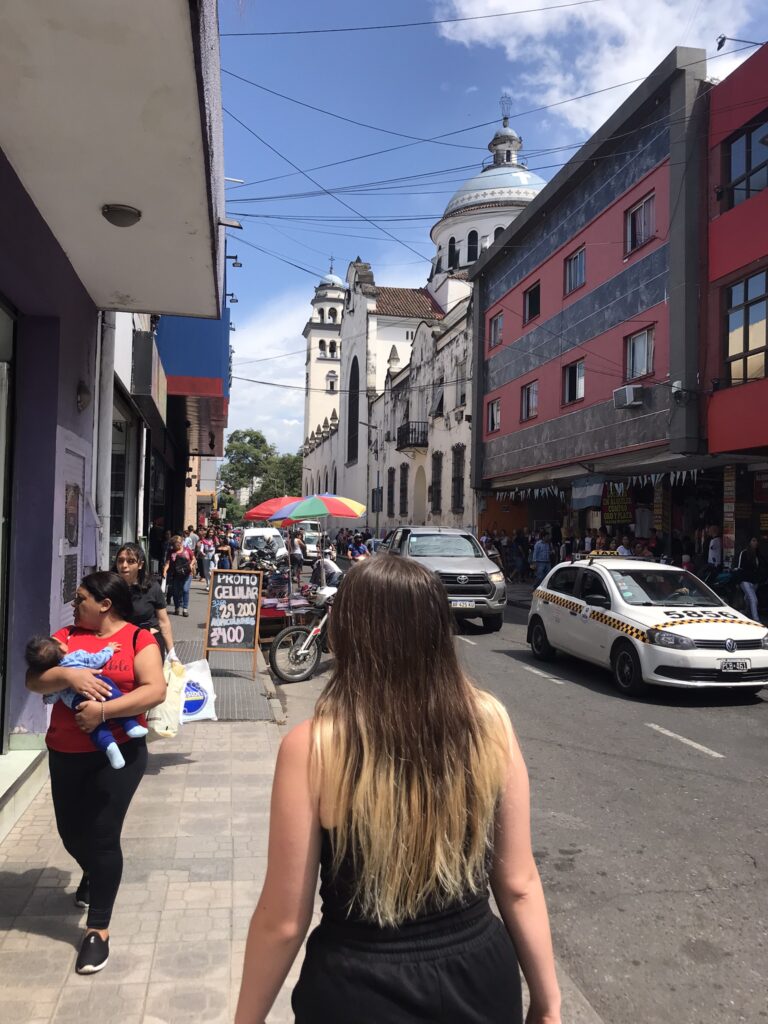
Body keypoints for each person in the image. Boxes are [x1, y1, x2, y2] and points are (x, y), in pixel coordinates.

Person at [234, 556, 561, 1024]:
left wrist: (247, 1018)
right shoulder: (490, 723)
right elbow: (518, 883)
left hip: (357, 986)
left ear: (346, 633)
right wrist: (548, 1004)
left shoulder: (314, 746)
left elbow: (283, 921)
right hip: (481, 976)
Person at [25, 571, 165, 975]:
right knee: (71, 832)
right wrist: (71, 675)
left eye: (81, 597)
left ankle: (97, 930)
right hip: (65, 750)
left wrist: (103, 711)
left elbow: (154, 690)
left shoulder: (139, 639)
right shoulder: (65, 636)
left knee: (104, 836)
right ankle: (93, 871)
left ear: (105, 604)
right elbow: (35, 679)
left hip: (119, 752)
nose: (74, 603)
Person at [26, 636, 148, 769]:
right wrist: (109, 649)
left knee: (95, 727)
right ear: (63, 647)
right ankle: (131, 726)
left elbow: (52, 697)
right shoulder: (77, 656)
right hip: (98, 686)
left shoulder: (51, 674)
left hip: (77, 702)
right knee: (115, 697)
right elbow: (96, 660)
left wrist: (47, 698)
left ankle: (110, 747)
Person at [113, 543, 176, 658]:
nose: (124, 565)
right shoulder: (109, 587)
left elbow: (163, 621)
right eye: (120, 561)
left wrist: (171, 653)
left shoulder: (152, 587)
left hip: (148, 642)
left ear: (140, 565)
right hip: (117, 644)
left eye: (131, 561)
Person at [163, 535, 195, 617]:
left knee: (185, 589)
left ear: (181, 543)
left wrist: (191, 564)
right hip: (176, 574)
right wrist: (165, 571)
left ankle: (185, 609)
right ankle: (177, 607)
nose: (176, 545)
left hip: (187, 574)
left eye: (178, 543)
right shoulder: (171, 552)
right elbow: (168, 563)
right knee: (175, 592)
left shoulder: (187, 550)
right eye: (174, 544)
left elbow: (194, 558)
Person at [737, 537, 764, 621]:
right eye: (753, 541)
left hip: (754, 581)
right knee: (754, 599)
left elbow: (760, 568)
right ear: (749, 542)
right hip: (745, 580)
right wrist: (738, 581)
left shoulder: (758, 554)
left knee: (748, 599)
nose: (755, 543)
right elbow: (740, 568)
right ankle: (756, 620)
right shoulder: (744, 553)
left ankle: (745, 612)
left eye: (756, 541)